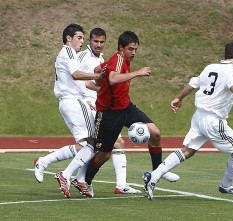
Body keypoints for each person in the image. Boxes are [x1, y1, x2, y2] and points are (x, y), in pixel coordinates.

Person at [54, 30, 179, 199]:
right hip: (108, 113)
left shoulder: (118, 59)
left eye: (135, 49)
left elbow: (99, 68)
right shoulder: (118, 59)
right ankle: (84, 180)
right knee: (103, 153)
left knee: (155, 132)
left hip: (126, 108)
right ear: (121, 48)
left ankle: (157, 171)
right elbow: (112, 78)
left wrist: (101, 81)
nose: (133, 53)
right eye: (130, 49)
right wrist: (137, 73)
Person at [143, 40, 233, 200]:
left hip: (199, 117)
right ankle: (227, 186)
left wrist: (179, 98)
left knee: (188, 150)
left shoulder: (210, 68)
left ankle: (154, 175)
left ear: (225, 54)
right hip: (213, 121)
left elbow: (193, 84)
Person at [34, 23, 102, 199]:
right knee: (92, 143)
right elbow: (76, 75)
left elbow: (81, 81)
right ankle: (66, 175)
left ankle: (47, 163)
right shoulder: (69, 51)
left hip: (68, 102)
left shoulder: (70, 55)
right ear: (68, 39)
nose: (81, 41)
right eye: (79, 37)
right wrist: (98, 75)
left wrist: (100, 87)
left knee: (85, 144)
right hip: (74, 102)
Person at [77, 27, 140, 194]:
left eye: (102, 41)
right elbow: (74, 78)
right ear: (89, 41)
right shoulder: (82, 56)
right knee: (90, 147)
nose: (99, 45)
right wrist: (85, 101)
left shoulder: (105, 59)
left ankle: (120, 185)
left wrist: (100, 81)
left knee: (109, 146)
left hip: (108, 106)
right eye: (95, 41)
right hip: (92, 106)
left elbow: (98, 78)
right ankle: (73, 176)